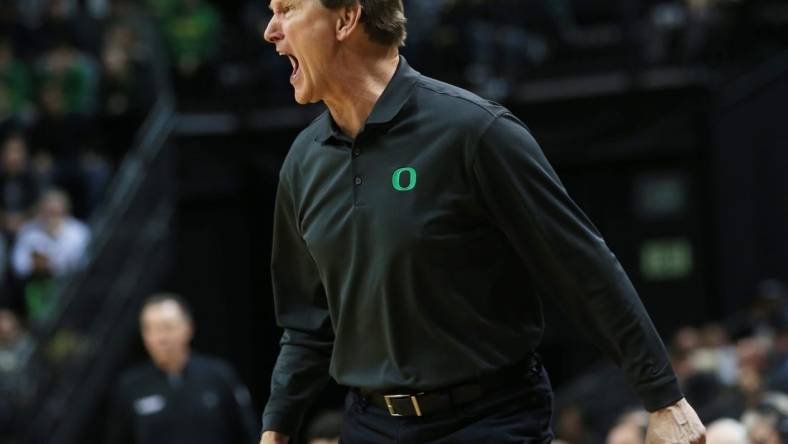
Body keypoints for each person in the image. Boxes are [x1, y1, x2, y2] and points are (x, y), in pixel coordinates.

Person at [259, 1, 707, 443]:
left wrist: (663, 399)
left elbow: (582, 268)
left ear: (346, 19)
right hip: (371, 423)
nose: (271, 31)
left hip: (487, 419)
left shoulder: (473, 132)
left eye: (287, 9)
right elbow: (307, 325)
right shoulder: (303, 162)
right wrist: (276, 430)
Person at [106, 293, 258, 444]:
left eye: (167, 327)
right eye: (150, 329)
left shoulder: (218, 375)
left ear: (188, 328)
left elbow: (248, 433)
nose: (160, 338)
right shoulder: (130, 385)